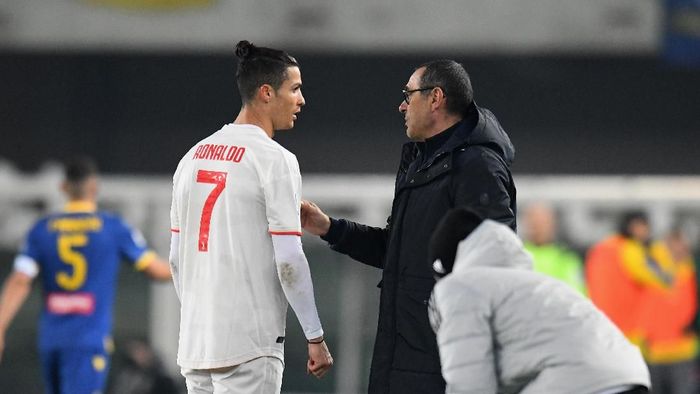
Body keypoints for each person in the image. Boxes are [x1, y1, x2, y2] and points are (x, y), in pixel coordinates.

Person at [301, 59, 516, 393]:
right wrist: (330, 227)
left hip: (442, 363)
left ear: (435, 98)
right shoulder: (419, 162)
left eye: (408, 94)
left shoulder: (477, 166)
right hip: (399, 356)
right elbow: (396, 251)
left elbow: (498, 262)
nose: (402, 105)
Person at [169, 40, 332, 394]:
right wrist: (315, 335)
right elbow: (288, 259)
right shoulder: (275, 160)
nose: (301, 100)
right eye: (295, 89)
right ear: (266, 93)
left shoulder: (191, 158)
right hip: (249, 345)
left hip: (196, 344)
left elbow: (176, 259)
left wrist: (204, 314)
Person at [427, 207, 651, 394]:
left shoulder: (461, 286)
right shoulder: (531, 282)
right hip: (630, 375)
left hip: (580, 381)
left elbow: (470, 382)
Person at [0, 156, 172, 394]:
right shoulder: (112, 228)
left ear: (63, 188)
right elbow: (156, 271)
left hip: (52, 339)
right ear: (94, 188)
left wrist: (0, 326)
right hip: (87, 339)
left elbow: (20, 280)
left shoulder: (41, 229)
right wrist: (193, 268)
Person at [588, 213, 699, 394]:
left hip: (622, 338)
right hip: (643, 343)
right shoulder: (633, 251)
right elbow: (663, 279)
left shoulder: (603, 250)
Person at [522, 202, 587, 295]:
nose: (538, 227)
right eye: (533, 221)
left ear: (553, 224)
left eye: (542, 221)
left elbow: (577, 293)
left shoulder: (566, 258)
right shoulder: (516, 254)